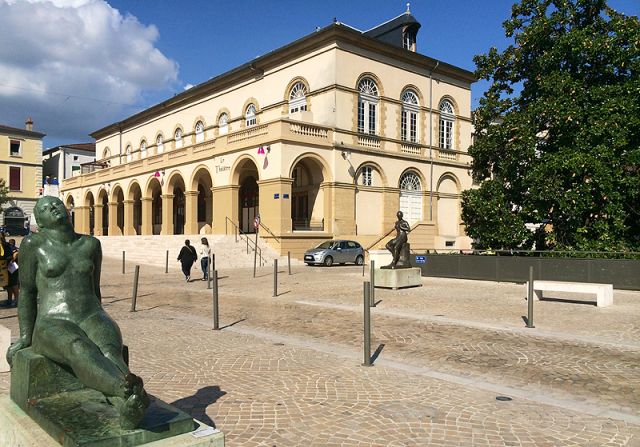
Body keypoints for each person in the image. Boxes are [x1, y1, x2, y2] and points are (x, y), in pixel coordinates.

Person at [5, 196, 149, 429]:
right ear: (39, 221)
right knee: (78, 347)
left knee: (110, 351)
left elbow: (95, 289)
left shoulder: (91, 244)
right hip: (53, 320)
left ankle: (127, 406)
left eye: (56, 203)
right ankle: (128, 391)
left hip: (91, 314)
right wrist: (25, 336)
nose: (52, 207)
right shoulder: (33, 244)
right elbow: (27, 293)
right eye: (44, 207)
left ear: (67, 209)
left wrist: (102, 321)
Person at [5, 238, 19, 307]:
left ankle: (17, 300)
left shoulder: (9, 247)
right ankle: (9, 300)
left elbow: (16, 254)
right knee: (8, 286)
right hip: (8, 269)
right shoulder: (6, 246)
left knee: (13, 285)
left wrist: (12, 260)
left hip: (12, 269)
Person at [0, 233, 13, 306]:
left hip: (4, 268)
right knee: (8, 286)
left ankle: (9, 300)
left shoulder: (6, 245)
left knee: (9, 286)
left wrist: (5, 260)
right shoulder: (7, 245)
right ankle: (9, 300)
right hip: (4, 267)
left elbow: (10, 256)